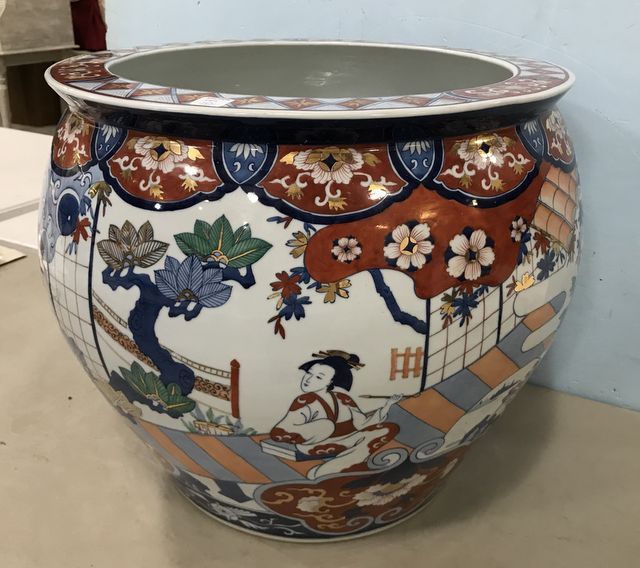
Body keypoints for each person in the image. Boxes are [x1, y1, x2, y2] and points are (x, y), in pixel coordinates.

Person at [270, 351, 401, 479]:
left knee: (387, 429)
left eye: (319, 377)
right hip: (314, 445)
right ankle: (335, 468)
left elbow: (362, 424)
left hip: (346, 440)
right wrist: (320, 429)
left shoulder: (342, 398)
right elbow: (282, 430)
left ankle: (333, 467)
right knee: (327, 426)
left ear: (330, 382)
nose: (308, 379)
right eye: (309, 373)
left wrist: (388, 405)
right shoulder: (305, 401)